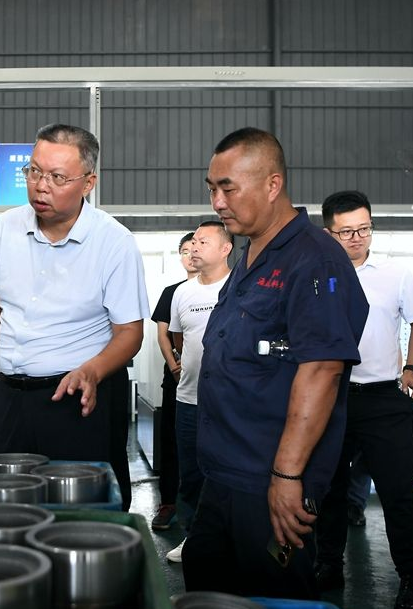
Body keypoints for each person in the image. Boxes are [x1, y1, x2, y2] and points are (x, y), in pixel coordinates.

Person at [180, 127, 368, 599]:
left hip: (270, 478)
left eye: (228, 188)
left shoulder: (315, 259)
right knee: (206, 581)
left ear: (272, 185)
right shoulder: (250, 254)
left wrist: (287, 477)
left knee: (272, 592)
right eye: (212, 188)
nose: (217, 202)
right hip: (225, 469)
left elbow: (323, 369)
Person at [0, 123, 149, 510]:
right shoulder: (7, 227)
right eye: (34, 171)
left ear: (88, 183)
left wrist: (93, 371)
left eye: (57, 177)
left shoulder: (114, 242)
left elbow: (129, 332)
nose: (40, 186)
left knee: (80, 513)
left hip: (76, 399)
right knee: (11, 509)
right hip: (10, 397)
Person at [316, 190, 413, 609]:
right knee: (327, 487)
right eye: (346, 231)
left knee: (398, 492)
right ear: (328, 233)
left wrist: (412, 367)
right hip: (330, 397)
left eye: (364, 229)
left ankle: (412, 577)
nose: (357, 238)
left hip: (384, 399)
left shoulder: (394, 273)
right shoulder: (314, 275)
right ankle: (328, 565)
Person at [165, 221, 233, 562]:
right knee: (191, 475)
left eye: (203, 242)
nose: (194, 247)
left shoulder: (238, 288)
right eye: (192, 241)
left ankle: (230, 541)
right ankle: (193, 538)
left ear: (225, 248)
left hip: (229, 403)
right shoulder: (182, 293)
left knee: (228, 474)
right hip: (188, 400)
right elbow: (180, 340)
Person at [150, 232, 198, 532]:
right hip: (177, 380)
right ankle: (168, 503)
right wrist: (174, 367)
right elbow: (163, 334)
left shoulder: (226, 287)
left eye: (196, 248)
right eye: (185, 250)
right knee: (171, 442)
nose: (191, 255)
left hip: (211, 384)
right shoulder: (172, 292)